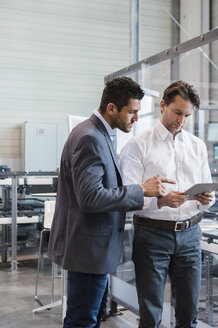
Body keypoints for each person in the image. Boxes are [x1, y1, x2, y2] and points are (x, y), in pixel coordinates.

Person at [48, 76, 171, 328]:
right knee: (81, 321)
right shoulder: (90, 137)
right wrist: (141, 190)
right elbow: (90, 198)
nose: (136, 118)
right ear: (111, 108)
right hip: (88, 252)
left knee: (87, 318)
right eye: (132, 112)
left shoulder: (97, 133)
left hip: (92, 250)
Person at [120, 80, 214, 328]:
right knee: (150, 314)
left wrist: (206, 199)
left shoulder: (197, 146)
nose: (182, 120)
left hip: (191, 235)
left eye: (187, 115)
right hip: (152, 236)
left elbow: (207, 191)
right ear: (163, 106)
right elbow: (128, 200)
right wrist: (160, 202)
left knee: (189, 312)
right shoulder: (137, 146)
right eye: (177, 112)